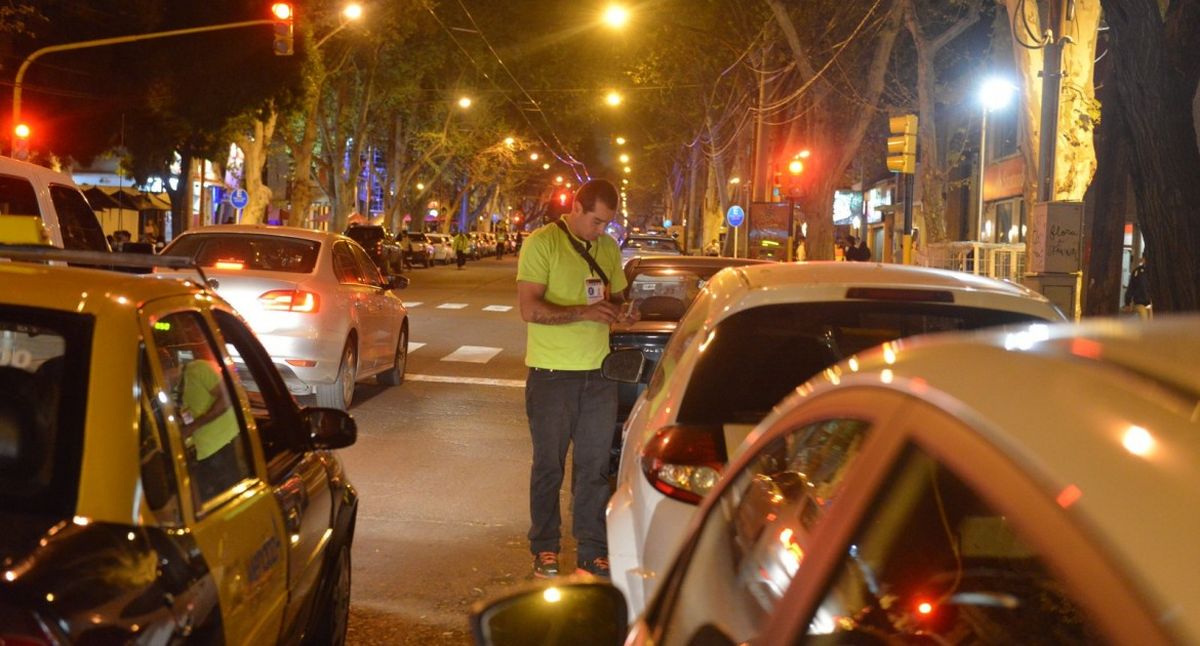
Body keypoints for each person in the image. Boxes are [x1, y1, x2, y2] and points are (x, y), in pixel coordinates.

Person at [516, 179, 638, 580]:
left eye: (608, 225)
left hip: (598, 374)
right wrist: (583, 313)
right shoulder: (542, 242)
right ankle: (545, 547)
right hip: (552, 375)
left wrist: (623, 313)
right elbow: (530, 308)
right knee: (549, 466)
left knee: (593, 467)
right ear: (577, 207)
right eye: (597, 222)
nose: (602, 231)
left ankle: (591, 548)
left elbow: (617, 298)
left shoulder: (607, 247)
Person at [1124, 253, 1152, 319]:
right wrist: (1127, 302)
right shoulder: (1137, 272)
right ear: (1143, 259)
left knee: (1151, 320)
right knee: (1144, 318)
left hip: (1150, 302)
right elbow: (1131, 287)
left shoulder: (1153, 272)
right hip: (1139, 302)